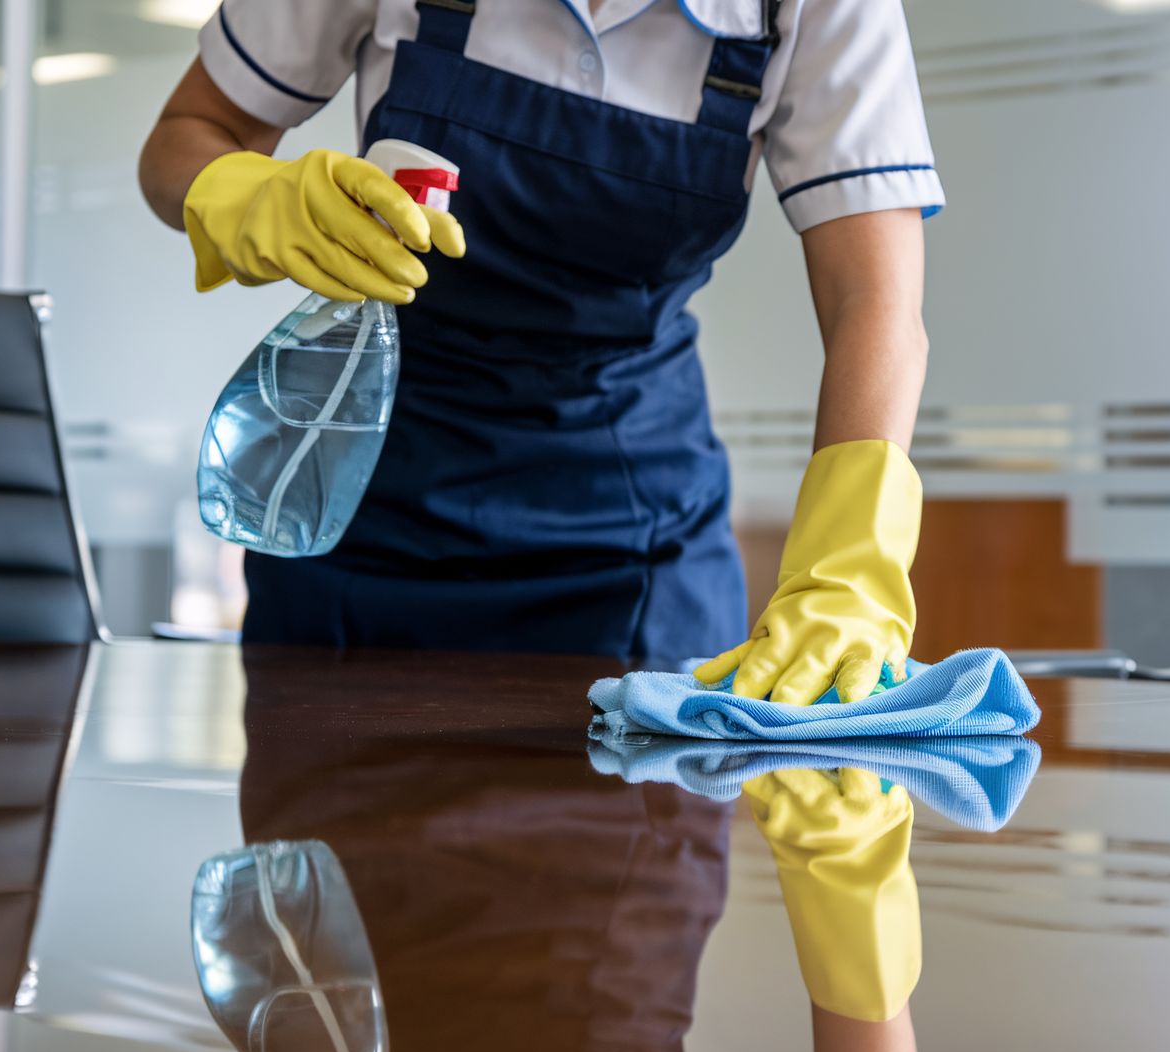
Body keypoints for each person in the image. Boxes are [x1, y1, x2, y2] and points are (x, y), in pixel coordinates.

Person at [138, 0, 944, 705]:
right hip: (364, 514)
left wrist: (847, 562)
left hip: (632, 548)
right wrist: (243, 191)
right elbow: (184, 138)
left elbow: (873, 301)